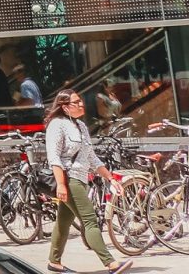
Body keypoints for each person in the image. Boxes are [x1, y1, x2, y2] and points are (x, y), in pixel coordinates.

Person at [45, 88, 131, 273]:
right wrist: (61, 184)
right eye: (76, 102)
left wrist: (110, 177)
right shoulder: (56, 125)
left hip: (81, 179)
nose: (81, 104)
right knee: (90, 221)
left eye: (80, 101)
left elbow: (91, 158)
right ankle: (111, 263)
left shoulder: (81, 126)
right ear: (65, 107)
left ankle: (54, 262)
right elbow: (54, 158)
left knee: (63, 221)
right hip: (69, 180)